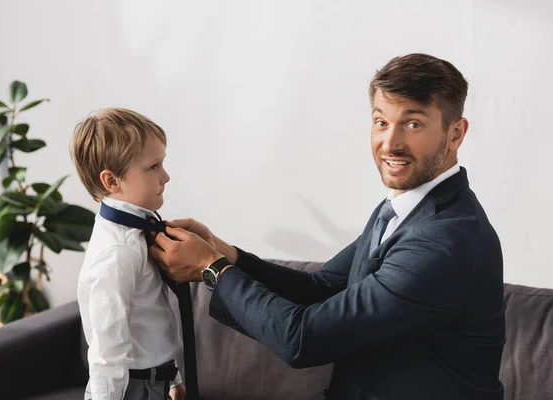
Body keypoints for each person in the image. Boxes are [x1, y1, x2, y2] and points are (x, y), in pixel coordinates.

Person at [149, 53, 506, 400]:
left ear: (456, 133)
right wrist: (227, 255)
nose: (390, 143)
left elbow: (303, 338)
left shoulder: (445, 239)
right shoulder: (402, 210)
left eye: (413, 124)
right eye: (381, 122)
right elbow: (320, 288)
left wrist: (211, 268)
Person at [70, 108, 186, 400]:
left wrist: (172, 376)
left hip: (154, 380)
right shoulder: (117, 253)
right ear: (112, 181)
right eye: (153, 166)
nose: (166, 176)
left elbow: (151, 317)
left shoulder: (140, 231)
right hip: (131, 389)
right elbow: (107, 351)